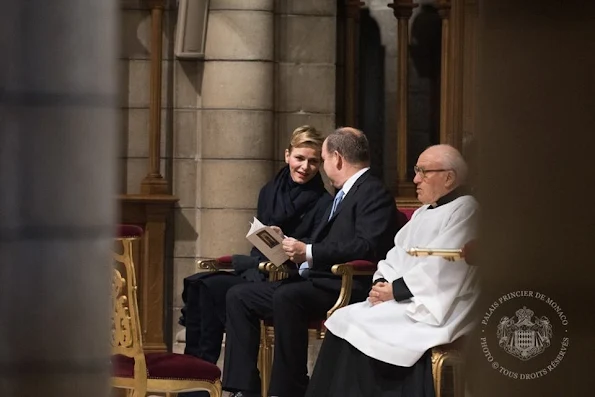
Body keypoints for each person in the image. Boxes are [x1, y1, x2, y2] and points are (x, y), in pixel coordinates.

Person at [222, 127, 401, 397]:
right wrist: (289, 244)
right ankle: (243, 390)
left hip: (346, 283)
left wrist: (308, 251)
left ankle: (288, 389)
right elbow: (329, 240)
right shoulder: (342, 192)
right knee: (239, 295)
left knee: (288, 297)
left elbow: (367, 245)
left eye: (323, 159)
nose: (320, 166)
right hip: (317, 279)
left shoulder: (372, 191)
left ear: (337, 159)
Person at [306, 144, 479, 397]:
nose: (415, 179)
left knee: (363, 326)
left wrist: (396, 290)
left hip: (437, 306)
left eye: (422, 172)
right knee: (342, 320)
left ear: (449, 177)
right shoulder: (422, 213)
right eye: (415, 171)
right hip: (403, 299)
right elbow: (395, 255)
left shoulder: (467, 210)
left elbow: (445, 267)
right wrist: (382, 284)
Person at [179, 125, 332, 365]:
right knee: (202, 285)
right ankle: (198, 377)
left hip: (292, 279)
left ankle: (235, 385)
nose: (305, 167)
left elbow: (318, 248)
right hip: (259, 268)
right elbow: (258, 241)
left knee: (228, 292)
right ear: (287, 155)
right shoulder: (269, 191)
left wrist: (288, 242)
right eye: (299, 158)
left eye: (313, 162)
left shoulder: (324, 202)